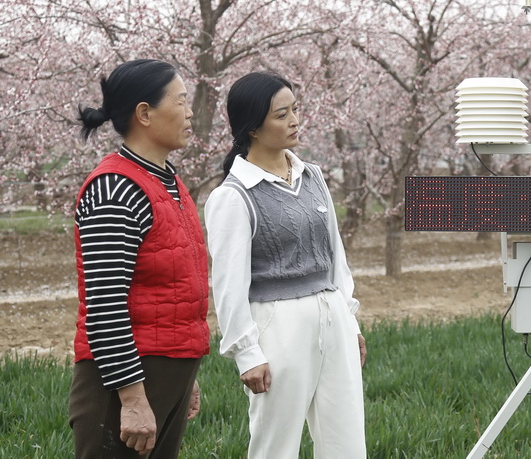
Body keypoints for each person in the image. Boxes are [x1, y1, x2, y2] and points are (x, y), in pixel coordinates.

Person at [204, 71, 366, 458]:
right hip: (277, 325)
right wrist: (247, 353)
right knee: (275, 446)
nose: (294, 120)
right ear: (252, 127)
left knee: (346, 440)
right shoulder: (233, 196)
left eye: (295, 109)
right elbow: (228, 284)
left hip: (333, 316)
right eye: (281, 114)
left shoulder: (313, 176)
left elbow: (335, 255)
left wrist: (351, 321)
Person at [69, 59, 209, 458]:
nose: (190, 112)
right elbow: (105, 304)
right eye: (180, 101)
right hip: (124, 380)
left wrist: (184, 375)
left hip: (163, 371)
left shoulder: (167, 180)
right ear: (144, 113)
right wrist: (132, 397)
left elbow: (170, 289)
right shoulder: (116, 189)